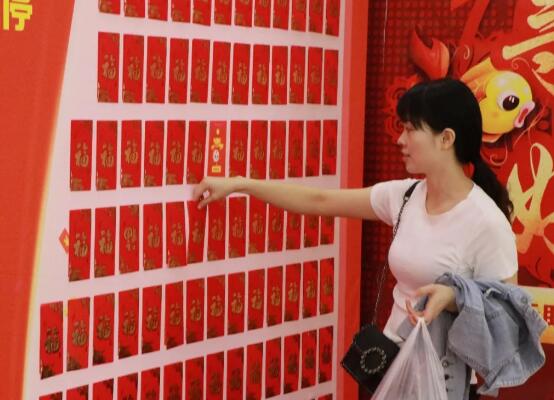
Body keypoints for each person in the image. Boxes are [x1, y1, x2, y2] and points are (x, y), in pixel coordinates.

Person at [192, 78, 518, 399]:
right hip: (394, 371)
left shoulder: (486, 222)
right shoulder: (405, 196)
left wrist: (453, 297)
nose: (400, 139)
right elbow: (320, 201)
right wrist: (240, 185)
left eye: (410, 129)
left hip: (444, 384)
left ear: (446, 138)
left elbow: (507, 318)